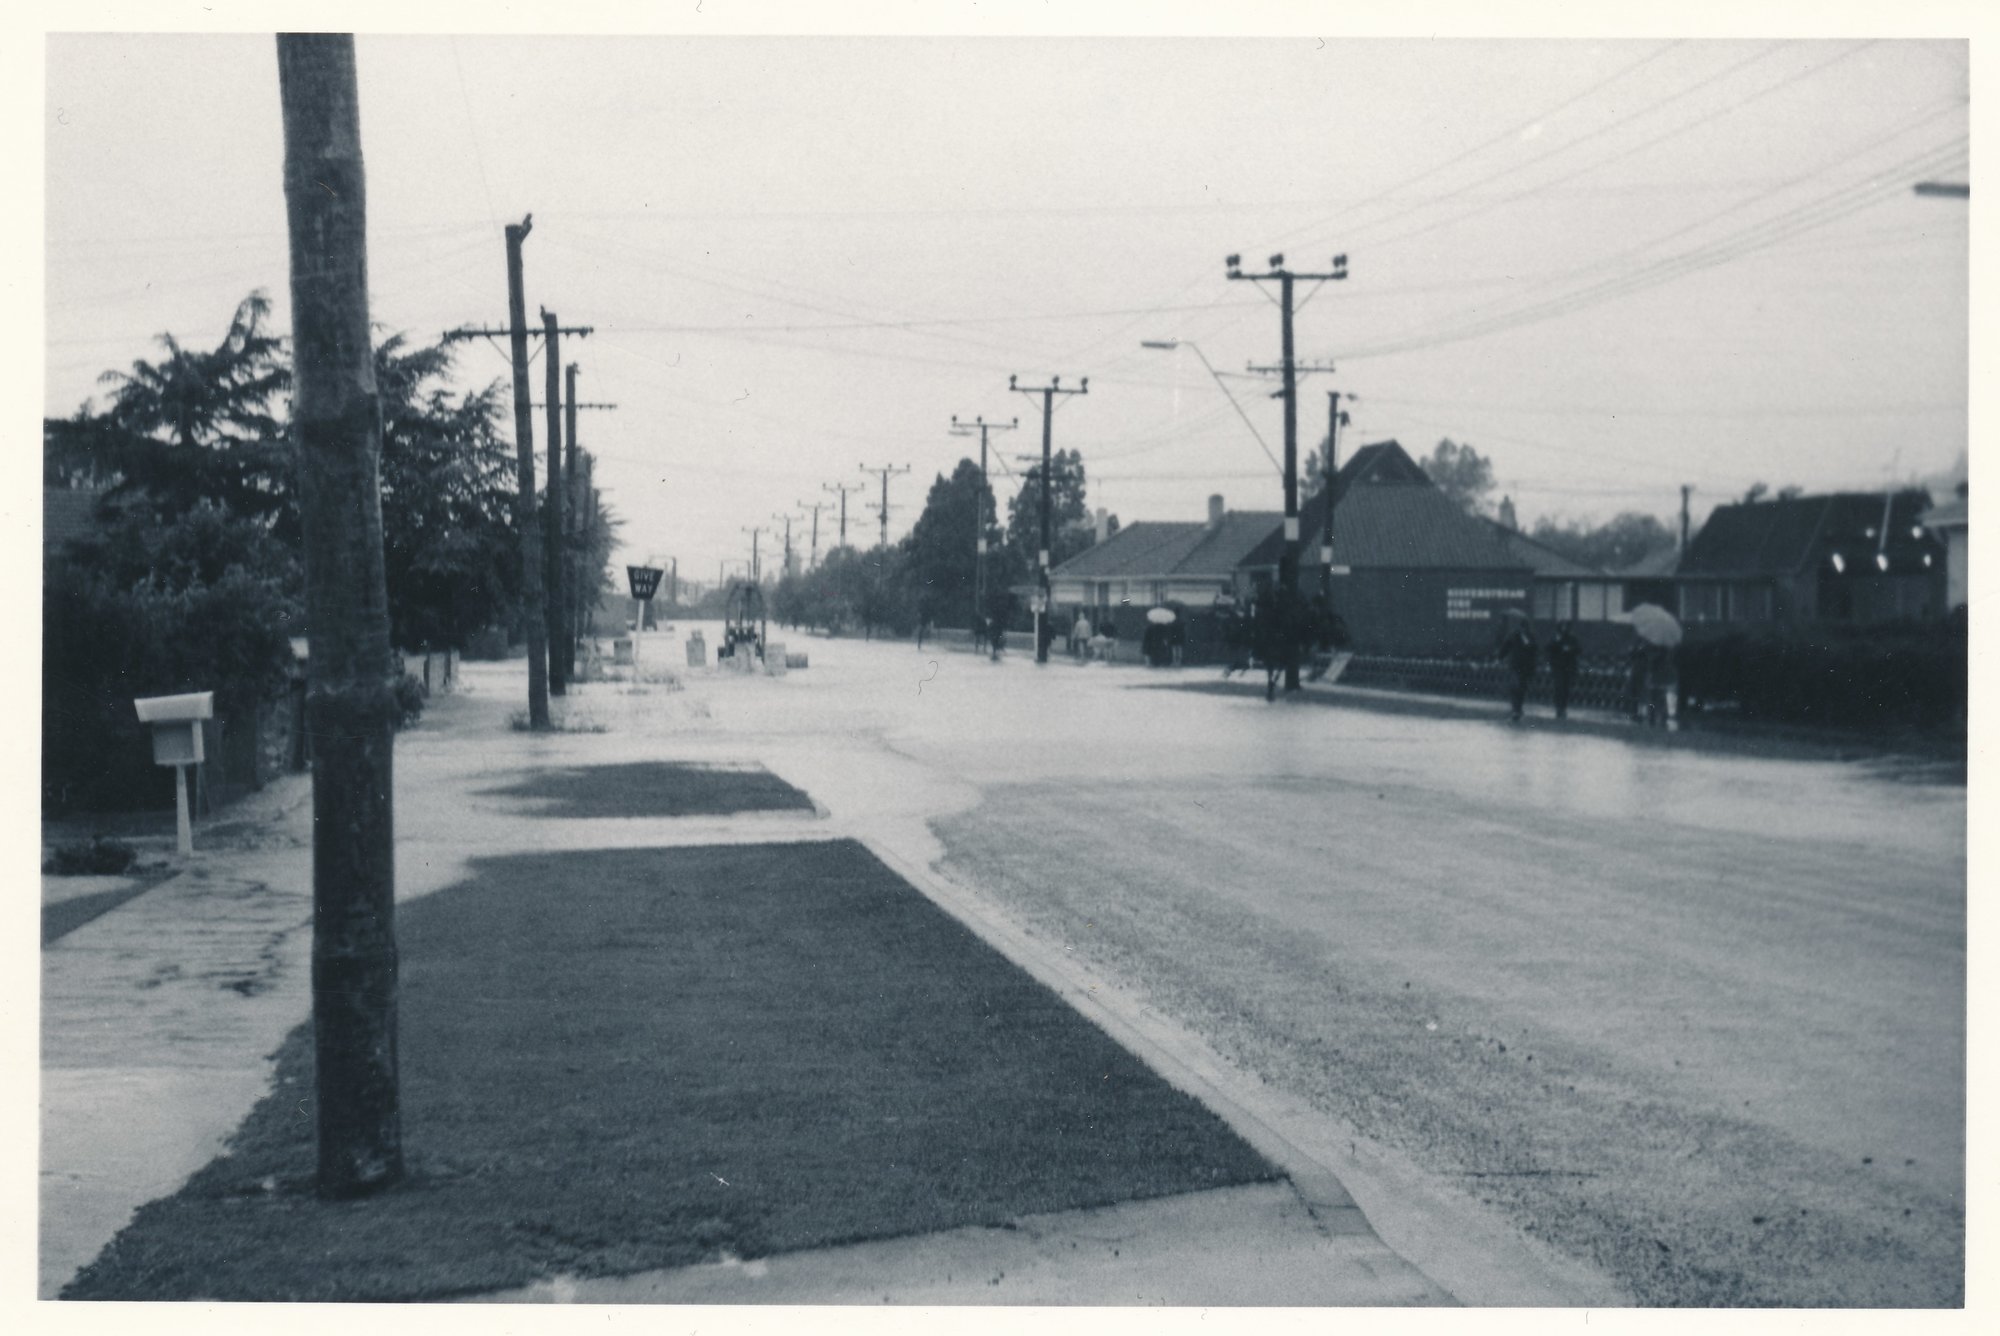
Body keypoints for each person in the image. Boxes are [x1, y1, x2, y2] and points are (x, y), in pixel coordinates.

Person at [1494, 616, 1539, 722]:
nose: (1524, 629)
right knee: (1515, 686)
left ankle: (1518, 708)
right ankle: (1516, 710)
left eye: (1525, 627)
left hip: (1526, 666)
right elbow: (1505, 647)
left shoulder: (1530, 637)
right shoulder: (1513, 635)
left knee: (1521, 688)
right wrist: (1499, 658)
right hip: (1515, 665)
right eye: (1522, 627)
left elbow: (1535, 649)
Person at [1546, 620, 1582, 720]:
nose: (1564, 628)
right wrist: (1557, 642)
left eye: (1566, 626)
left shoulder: (1572, 638)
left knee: (1566, 688)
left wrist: (1570, 649)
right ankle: (1559, 708)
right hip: (1557, 666)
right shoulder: (1555, 637)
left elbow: (1579, 649)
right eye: (1563, 626)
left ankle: (1563, 708)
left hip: (1568, 666)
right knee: (1559, 686)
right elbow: (1548, 648)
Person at [1624, 633, 1651, 724]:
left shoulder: (1649, 646)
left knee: (1642, 693)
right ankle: (1635, 713)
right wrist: (1635, 649)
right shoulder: (1637, 645)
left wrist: (1639, 650)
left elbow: (1648, 657)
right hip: (1636, 671)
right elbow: (1631, 655)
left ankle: (1642, 714)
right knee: (1634, 692)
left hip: (1644, 671)